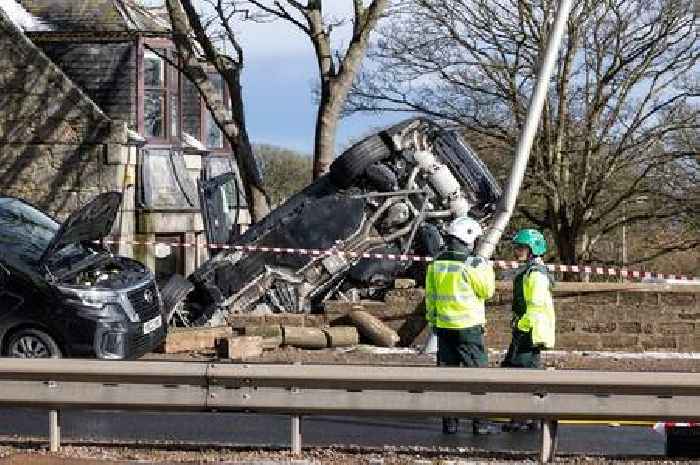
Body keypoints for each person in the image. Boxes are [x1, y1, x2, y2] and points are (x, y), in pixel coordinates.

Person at [425, 216, 496, 435]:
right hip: (468, 328)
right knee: (477, 377)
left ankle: (450, 423)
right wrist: (486, 268)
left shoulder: (436, 263)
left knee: (448, 378)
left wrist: (434, 322)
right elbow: (487, 291)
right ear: (468, 238)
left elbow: (431, 297)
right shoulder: (472, 263)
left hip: (444, 328)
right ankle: (480, 424)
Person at [501, 228, 556, 431]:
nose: (517, 251)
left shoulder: (536, 273)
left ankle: (523, 418)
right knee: (525, 373)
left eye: (522, 247)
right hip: (528, 328)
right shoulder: (530, 270)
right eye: (517, 247)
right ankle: (528, 417)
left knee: (520, 374)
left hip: (530, 330)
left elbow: (535, 304)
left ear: (533, 249)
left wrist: (521, 326)